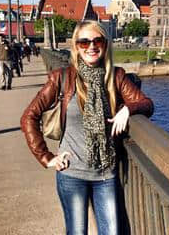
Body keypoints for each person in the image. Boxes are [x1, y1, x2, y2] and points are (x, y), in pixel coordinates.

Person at [21, 21, 154, 234]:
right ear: (76, 46)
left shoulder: (116, 77)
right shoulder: (62, 78)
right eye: (84, 42)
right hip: (71, 174)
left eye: (97, 40)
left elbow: (147, 103)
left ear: (105, 44)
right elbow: (29, 116)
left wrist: (128, 109)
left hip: (105, 175)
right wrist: (46, 157)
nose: (91, 46)